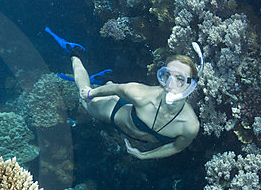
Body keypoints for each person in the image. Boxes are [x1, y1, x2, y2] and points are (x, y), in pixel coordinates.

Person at [71, 50, 201, 160]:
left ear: (192, 85)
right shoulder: (141, 95)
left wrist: (143, 155)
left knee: (107, 88)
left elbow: (176, 146)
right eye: (167, 75)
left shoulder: (190, 126)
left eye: (180, 79)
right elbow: (118, 89)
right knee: (85, 102)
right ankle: (74, 56)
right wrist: (90, 93)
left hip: (135, 133)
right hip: (115, 110)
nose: (170, 84)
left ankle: (105, 80)